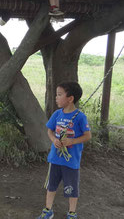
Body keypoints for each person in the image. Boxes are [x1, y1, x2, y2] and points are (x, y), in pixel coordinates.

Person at [36, 82, 92, 219]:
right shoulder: (57, 114)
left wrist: (72, 141)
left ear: (70, 98)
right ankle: (48, 210)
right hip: (55, 159)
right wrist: (54, 140)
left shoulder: (80, 117)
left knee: (71, 188)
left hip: (71, 161)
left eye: (59, 94)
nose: (56, 97)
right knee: (51, 186)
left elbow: (87, 135)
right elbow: (50, 130)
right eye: (56, 94)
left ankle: (72, 213)